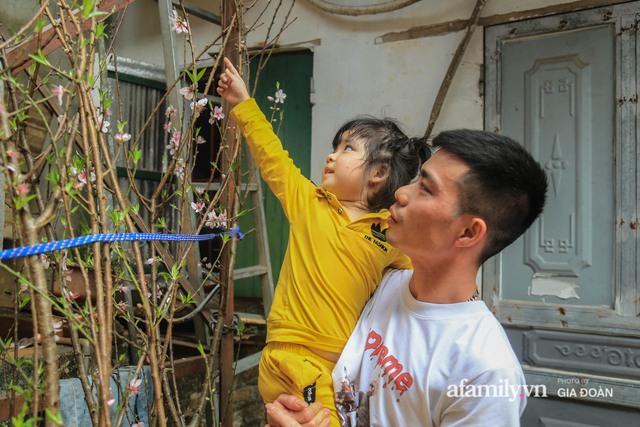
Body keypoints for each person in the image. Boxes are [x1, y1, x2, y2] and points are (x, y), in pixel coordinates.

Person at [266, 128, 549, 426]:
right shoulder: (382, 284)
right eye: (416, 180)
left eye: (426, 188)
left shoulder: (484, 373)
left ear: (467, 232)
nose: (401, 193)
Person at [216, 57, 430, 426]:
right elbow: (273, 158)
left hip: (327, 370)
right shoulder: (310, 202)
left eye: (347, 149)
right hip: (291, 358)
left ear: (379, 173)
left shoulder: (390, 234)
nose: (331, 155)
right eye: (335, 146)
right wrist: (243, 104)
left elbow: (421, 280)